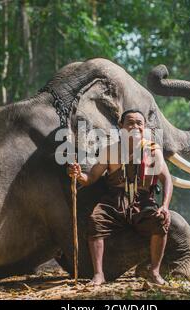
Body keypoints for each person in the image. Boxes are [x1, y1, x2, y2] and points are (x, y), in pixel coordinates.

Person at [68, 109, 173, 285]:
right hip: (114, 200)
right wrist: (78, 175)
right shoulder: (109, 151)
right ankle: (98, 274)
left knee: (160, 221)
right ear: (121, 126)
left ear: (144, 127)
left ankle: (154, 272)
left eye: (139, 123)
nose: (135, 126)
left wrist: (165, 206)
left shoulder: (153, 150)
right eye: (130, 122)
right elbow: (90, 178)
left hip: (143, 200)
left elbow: (167, 179)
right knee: (95, 221)